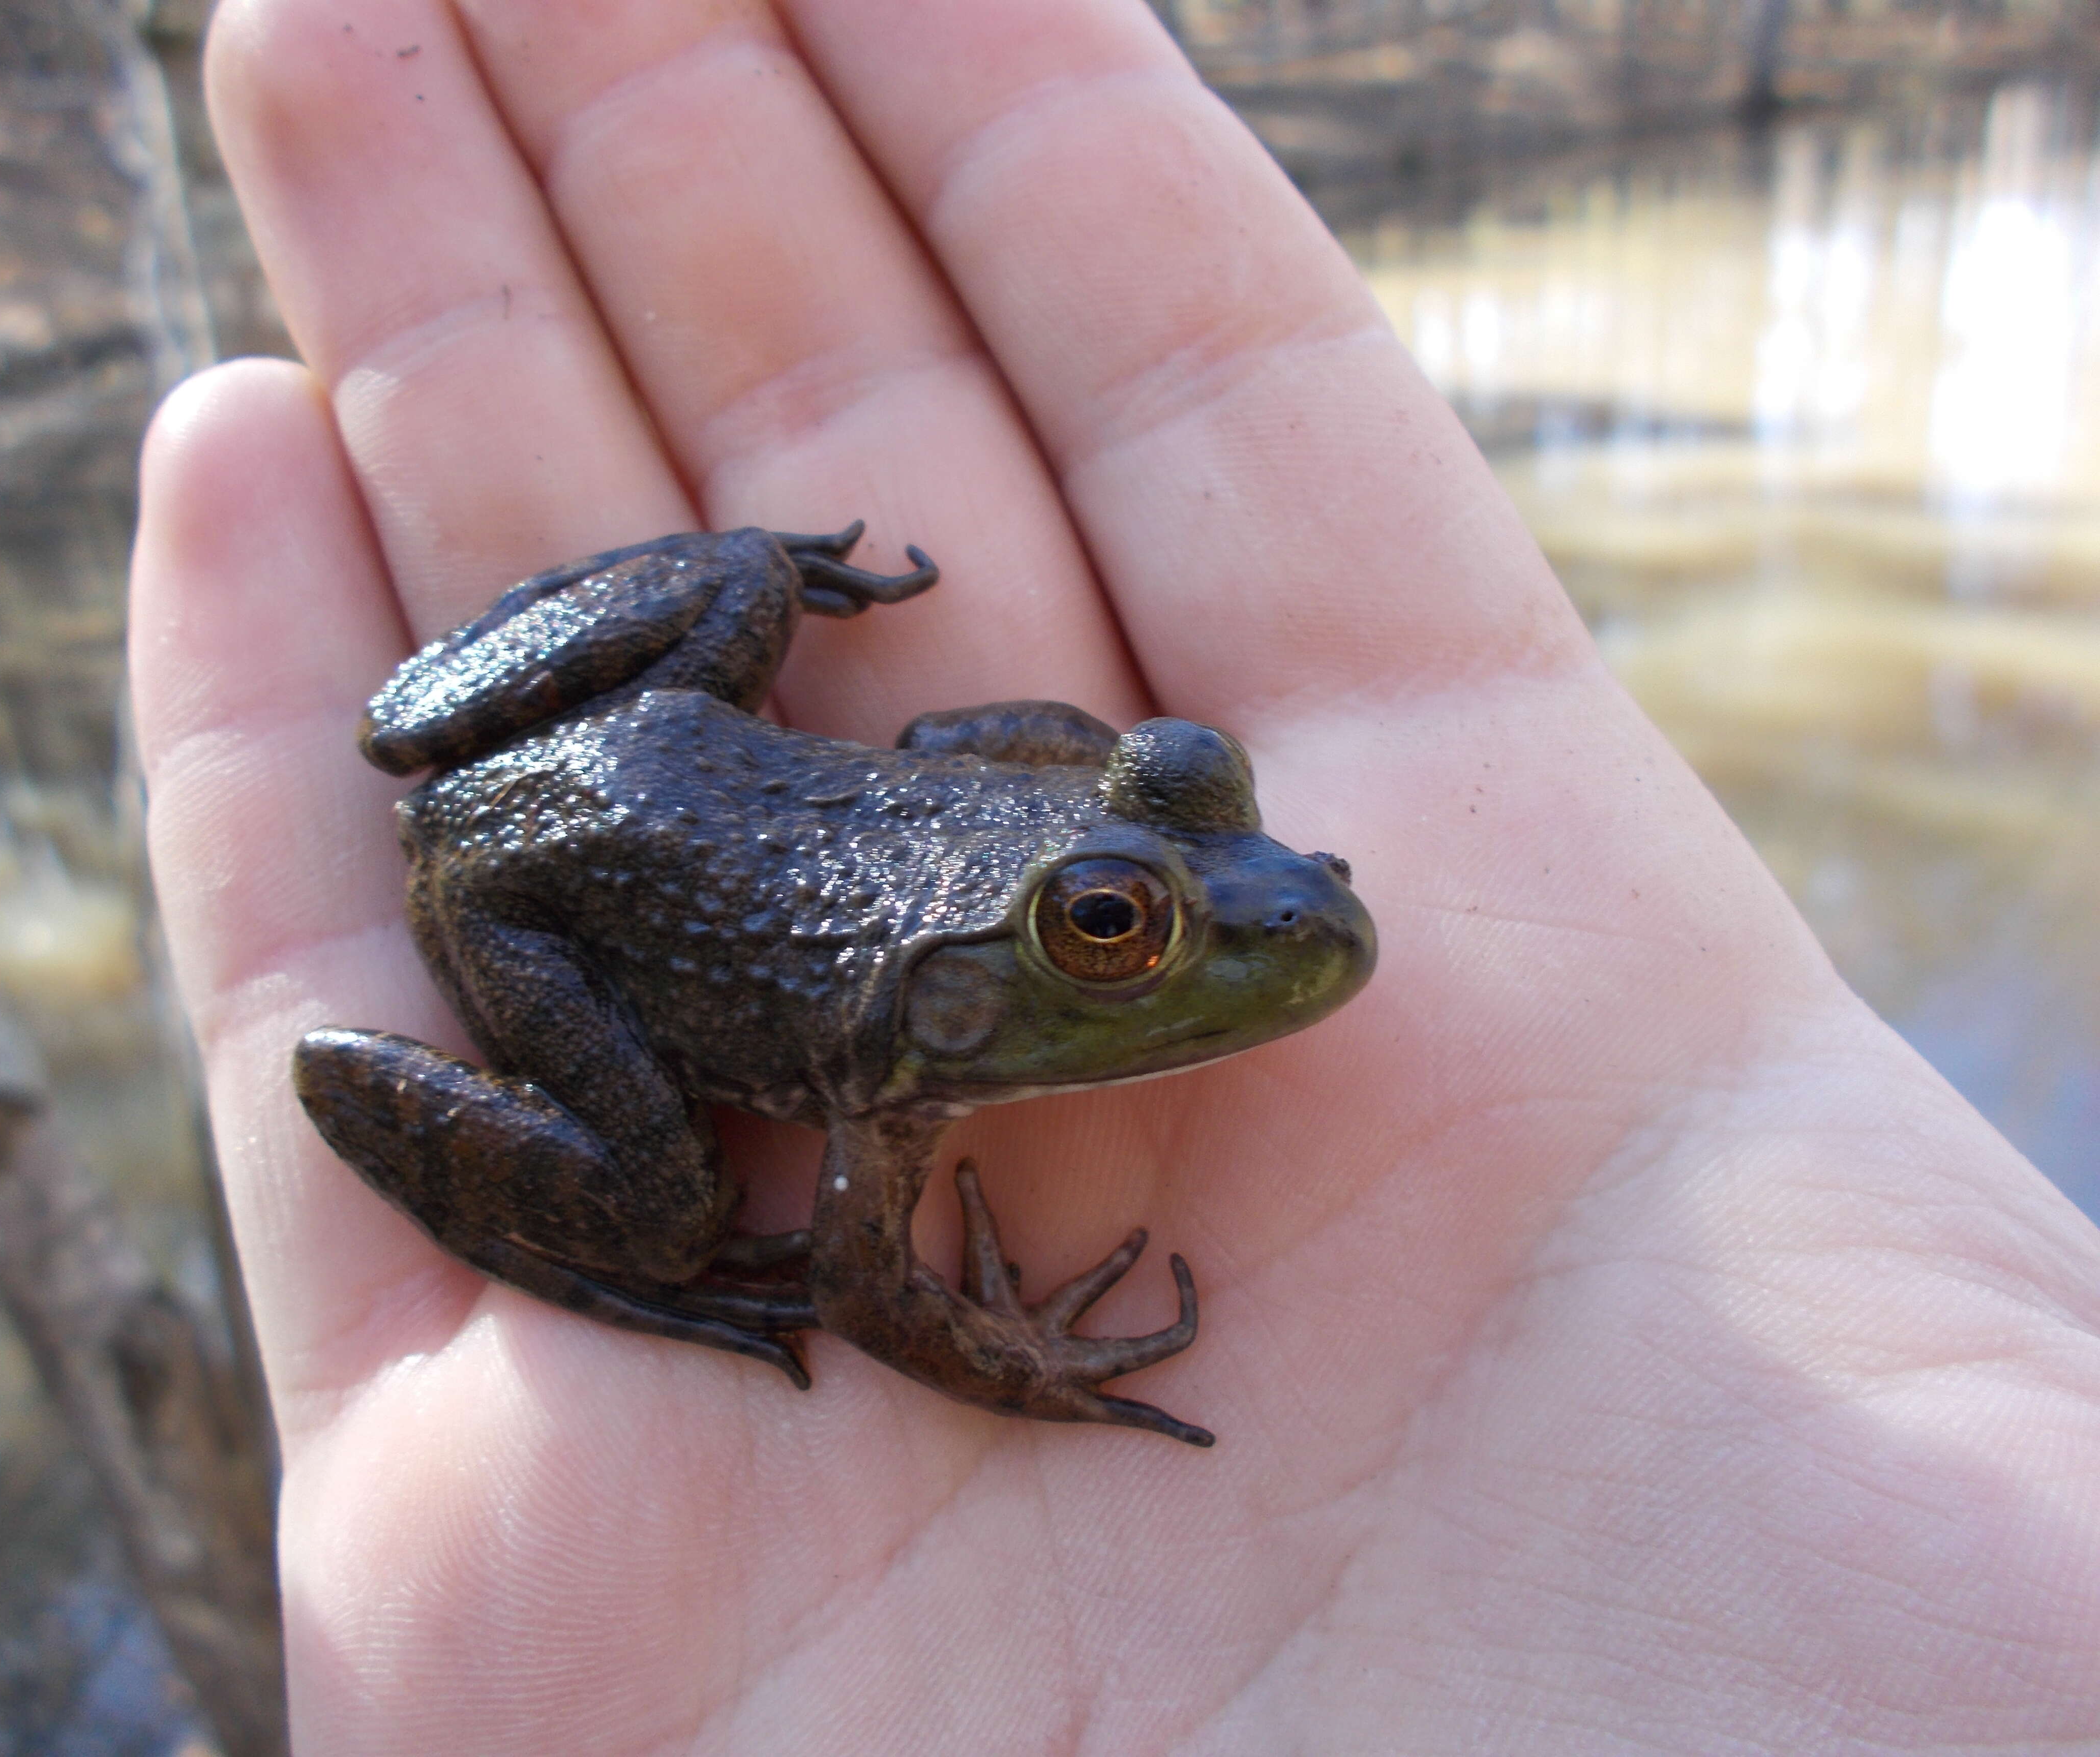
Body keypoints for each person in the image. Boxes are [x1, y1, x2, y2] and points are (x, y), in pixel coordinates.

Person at [127, 0, 2100, 1747]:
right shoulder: (896, 1077)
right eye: (1118, 929)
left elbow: (935, 758)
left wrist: (1110, 789)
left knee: (741, 584)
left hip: (617, 747)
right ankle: (637, 1273)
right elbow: (853, 1272)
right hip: (532, 908)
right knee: (664, 1211)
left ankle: (828, 675)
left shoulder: (1039, 832)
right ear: (1022, 964)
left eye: (1178, 825)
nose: (1252, 895)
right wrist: (1023, 1367)